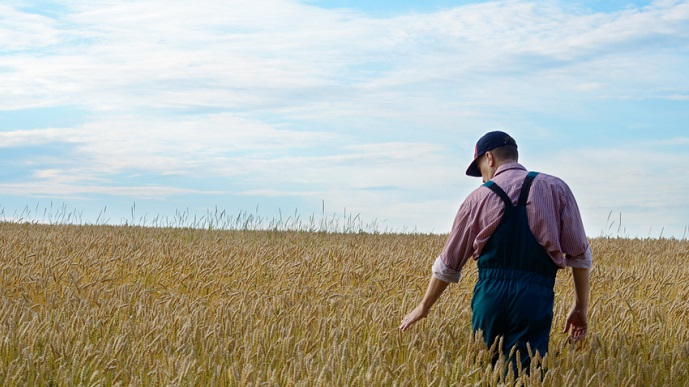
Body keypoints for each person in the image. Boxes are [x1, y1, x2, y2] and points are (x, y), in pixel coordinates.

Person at [399, 131, 591, 374]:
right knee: (527, 373)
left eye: (480, 170)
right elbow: (580, 256)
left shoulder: (477, 198)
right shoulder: (556, 189)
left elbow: (448, 265)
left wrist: (424, 306)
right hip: (535, 297)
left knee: (486, 372)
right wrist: (580, 308)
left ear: (489, 158)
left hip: (489, 297)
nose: (482, 180)